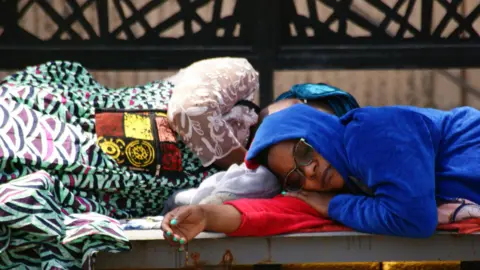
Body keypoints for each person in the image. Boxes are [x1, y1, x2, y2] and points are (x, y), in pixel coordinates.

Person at [162, 103, 480, 248]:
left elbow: (414, 219)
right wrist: (204, 214)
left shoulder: (368, 133)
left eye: (304, 152)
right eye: (297, 179)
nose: (311, 171)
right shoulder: (352, 180)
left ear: (318, 130)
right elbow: (270, 213)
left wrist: (334, 206)